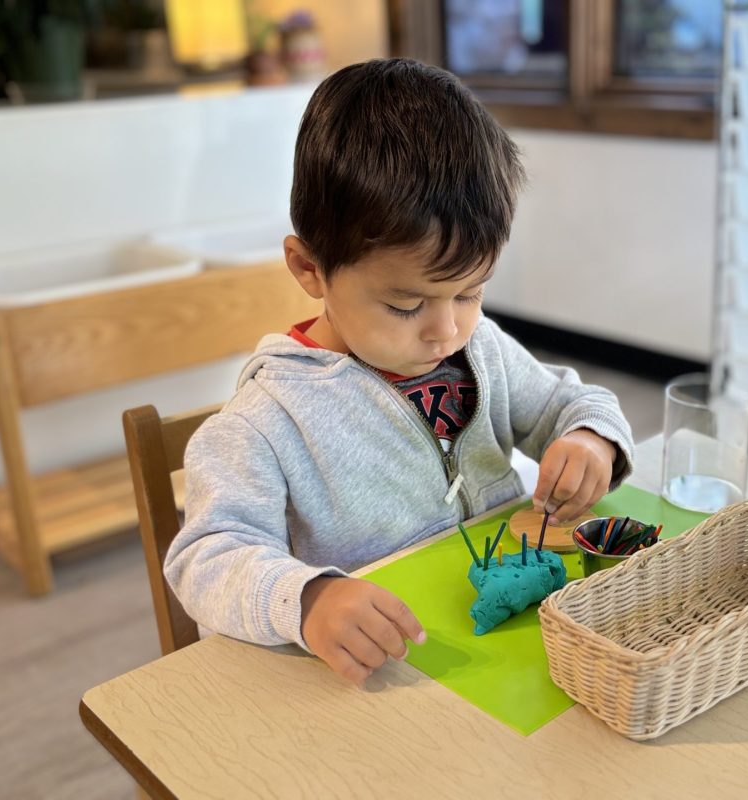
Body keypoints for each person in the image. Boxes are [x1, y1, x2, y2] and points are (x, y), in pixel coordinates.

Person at [165, 58, 634, 685]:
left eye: (469, 293)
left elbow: (569, 403)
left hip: (514, 639)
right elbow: (206, 557)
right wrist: (308, 599)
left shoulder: (481, 350)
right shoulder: (267, 422)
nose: (447, 331)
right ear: (310, 270)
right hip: (385, 669)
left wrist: (591, 440)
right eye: (406, 305)